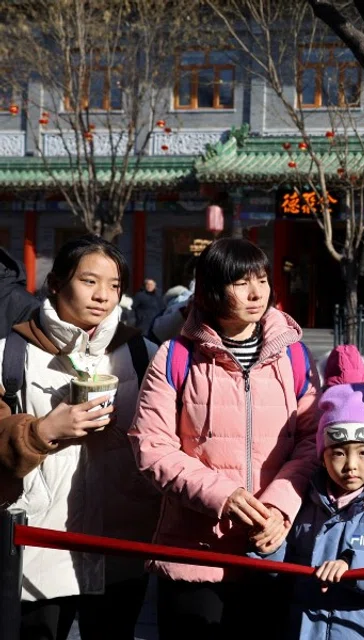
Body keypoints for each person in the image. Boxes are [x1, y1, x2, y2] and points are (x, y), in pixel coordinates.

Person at [128, 238, 321, 639]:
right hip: (194, 554)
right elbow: (152, 447)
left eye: (263, 280)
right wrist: (224, 496)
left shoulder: (295, 357)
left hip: (272, 549)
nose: (256, 293)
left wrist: (281, 509)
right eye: (240, 283)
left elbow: (311, 441)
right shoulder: (176, 356)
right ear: (213, 288)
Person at [0, 235, 158, 640]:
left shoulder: (145, 354)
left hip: (121, 544)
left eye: (115, 285)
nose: (103, 296)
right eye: (89, 281)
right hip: (37, 547)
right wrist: (41, 431)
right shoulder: (9, 355)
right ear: (55, 283)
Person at [256, 382, 364, 640]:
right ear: (322, 455)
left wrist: (353, 566)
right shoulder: (305, 500)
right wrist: (269, 550)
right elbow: (286, 567)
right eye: (338, 453)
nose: (351, 465)